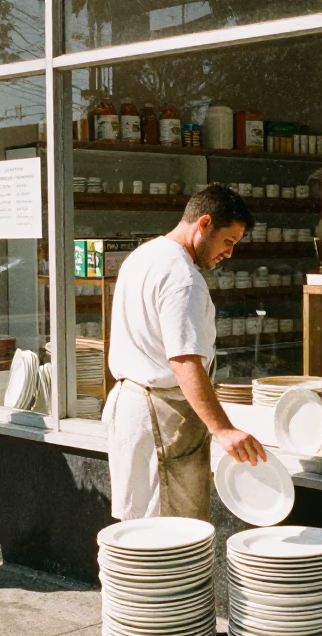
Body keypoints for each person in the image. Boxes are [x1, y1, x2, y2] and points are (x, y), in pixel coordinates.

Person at [103, 184, 267, 521]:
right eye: (228, 241)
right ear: (204, 223)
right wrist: (223, 429)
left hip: (131, 406)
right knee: (170, 535)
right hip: (160, 415)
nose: (229, 254)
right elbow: (184, 361)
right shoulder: (183, 279)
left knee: (139, 526)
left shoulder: (144, 255)